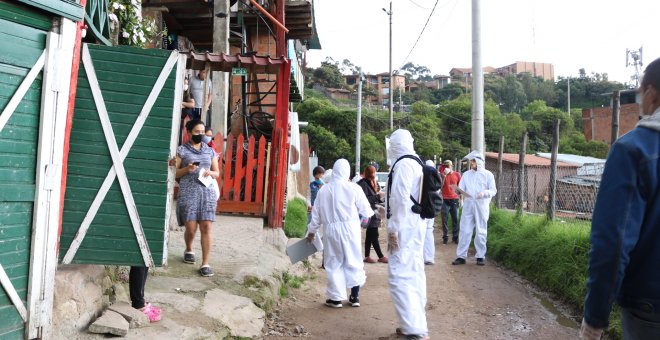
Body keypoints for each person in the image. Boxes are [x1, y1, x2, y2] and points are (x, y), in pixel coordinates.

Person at [580, 57, 660, 340]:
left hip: (650, 308)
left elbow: (612, 244)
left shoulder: (633, 149)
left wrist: (595, 318)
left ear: (650, 93)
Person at [306, 159, 377, 308]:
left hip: (331, 230)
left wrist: (311, 232)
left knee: (334, 262)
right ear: (347, 172)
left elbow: (316, 215)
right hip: (351, 228)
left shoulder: (323, 190)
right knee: (354, 260)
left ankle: (336, 298)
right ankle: (355, 297)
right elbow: (366, 211)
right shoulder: (354, 188)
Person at [386, 129, 429, 340]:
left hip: (404, 226)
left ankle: (415, 329)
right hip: (415, 224)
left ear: (395, 145)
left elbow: (401, 198)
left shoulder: (403, 164)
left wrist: (393, 228)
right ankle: (413, 323)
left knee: (399, 275)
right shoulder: (416, 162)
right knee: (413, 271)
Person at [176, 119, 220, 277]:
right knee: (191, 227)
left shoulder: (209, 151)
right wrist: (187, 169)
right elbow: (175, 173)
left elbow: (217, 172)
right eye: (197, 132)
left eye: (202, 132)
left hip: (206, 192)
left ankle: (205, 263)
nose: (200, 135)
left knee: (207, 226)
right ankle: (189, 248)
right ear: (189, 132)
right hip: (188, 192)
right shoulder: (181, 150)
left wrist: (211, 173)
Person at [451, 151, 496, 266]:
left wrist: (484, 193)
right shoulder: (466, 175)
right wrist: (457, 190)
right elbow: (461, 188)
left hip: (481, 205)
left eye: (473, 161)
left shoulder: (488, 175)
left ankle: (480, 256)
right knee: (465, 230)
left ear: (479, 161)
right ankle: (461, 256)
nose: (471, 164)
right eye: (471, 162)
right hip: (468, 205)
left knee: (481, 230)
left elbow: (493, 190)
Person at [357, 165, 388, 264]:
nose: (374, 174)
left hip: (375, 211)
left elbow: (376, 197)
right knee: (374, 234)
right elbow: (364, 200)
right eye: (372, 172)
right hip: (368, 212)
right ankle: (380, 256)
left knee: (370, 234)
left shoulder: (375, 182)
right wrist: (377, 196)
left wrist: (380, 197)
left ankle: (367, 256)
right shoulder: (362, 184)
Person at [440, 159, 461, 244]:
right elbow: (440, 187)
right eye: (445, 166)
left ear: (452, 166)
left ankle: (455, 237)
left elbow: (460, 188)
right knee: (444, 219)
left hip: (454, 199)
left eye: (448, 166)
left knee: (455, 218)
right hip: (445, 199)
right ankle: (445, 236)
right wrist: (444, 176)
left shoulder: (457, 174)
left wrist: (461, 198)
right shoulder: (442, 175)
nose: (446, 167)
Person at [422, 160, 437, 265]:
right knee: (429, 232)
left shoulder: (422, 177)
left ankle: (423, 257)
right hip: (432, 209)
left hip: (424, 209)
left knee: (421, 232)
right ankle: (429, 257)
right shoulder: (436, 178)